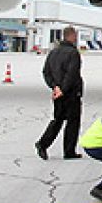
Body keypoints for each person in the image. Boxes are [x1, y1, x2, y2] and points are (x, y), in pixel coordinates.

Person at [35, 26, 84, 160]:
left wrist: (54, 87)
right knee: (73, 122)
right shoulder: (73, 53)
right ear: (72, 36)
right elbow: (71, 74)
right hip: (71, 93)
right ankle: (69, 151)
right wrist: (63, 89)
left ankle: (43, 143)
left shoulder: (53, 52)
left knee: (57, 120)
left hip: (57, 93)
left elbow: (46, 72)